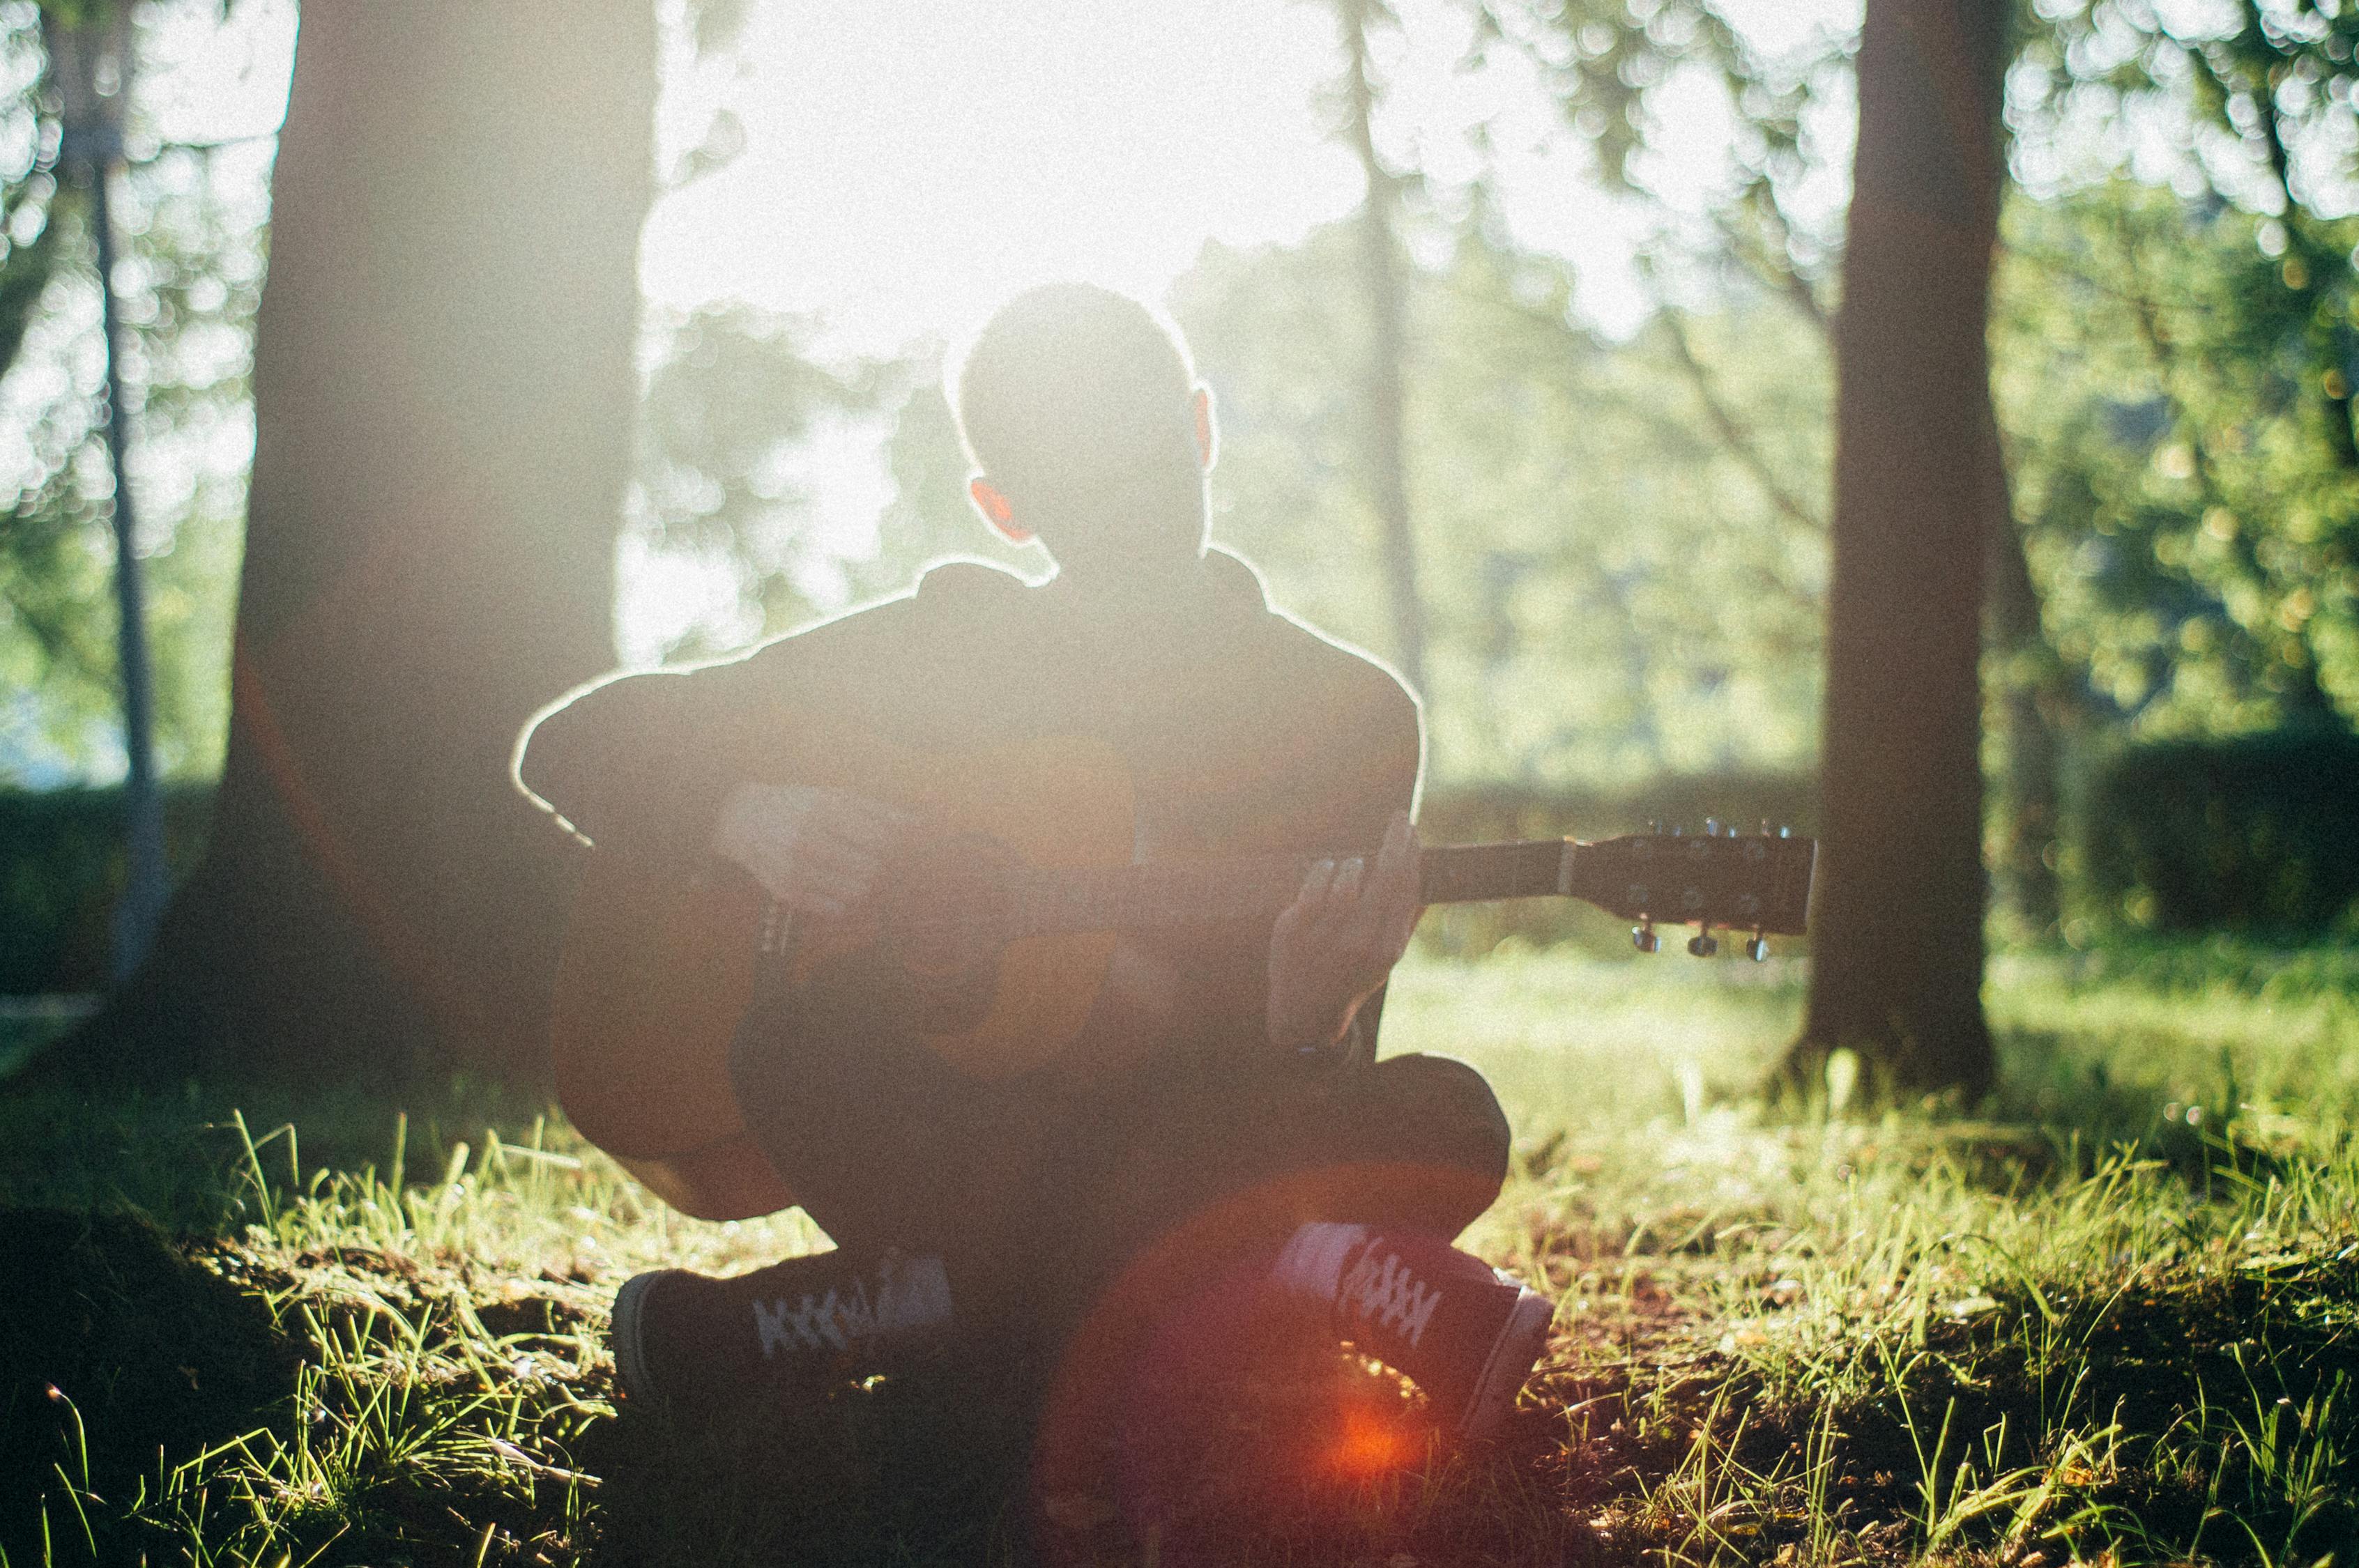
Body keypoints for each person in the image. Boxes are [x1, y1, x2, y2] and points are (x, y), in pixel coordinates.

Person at [512, 284, 1552, 1461]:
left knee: (1442, 1117)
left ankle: (871, 1315)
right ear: (1004, 508)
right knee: (788, 1047)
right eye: (1083, 483)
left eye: (1153, 455)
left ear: (1203, 430)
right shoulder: (944, 651)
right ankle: (1294, 1273)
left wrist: (1307, 1017)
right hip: (971, 1142)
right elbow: (570, 744)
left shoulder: (1349, 718)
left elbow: (1288, 1104)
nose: (1133, 507)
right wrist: (745, 814)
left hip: (1175, 1137)